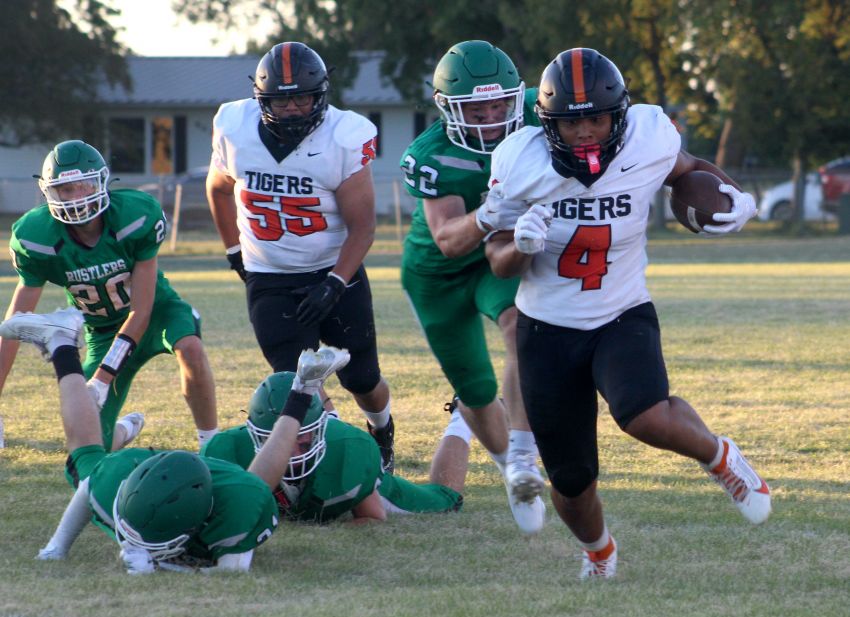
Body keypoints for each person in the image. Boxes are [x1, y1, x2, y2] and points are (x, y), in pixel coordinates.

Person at [485, 48, 770, 579]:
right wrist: (520, 245)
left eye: (597, 117)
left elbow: (687, 170)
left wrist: (731, 194)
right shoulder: (519, 160)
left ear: (619, 114)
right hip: (545, 328)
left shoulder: (649, 134)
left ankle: (720, 456)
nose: (587, 131)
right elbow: (498, 261)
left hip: (621, 311)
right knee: (570, 482)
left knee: (644, 414)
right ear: (550, 123)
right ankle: (599, 551)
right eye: (573, 122)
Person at [0, 306, 351, 573]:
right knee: (87, 460)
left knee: (256, 486)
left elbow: (230, 571)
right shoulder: (113, 481)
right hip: (138, 465)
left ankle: (302, 390)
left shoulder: (239, 511)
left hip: (233, 492)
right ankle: (62, 342)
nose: (132, 544)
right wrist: (56, 548)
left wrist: (157, 566)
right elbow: (90, 486)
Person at [206, 41, 395, 473]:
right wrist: (234, 250)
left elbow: (363, 227)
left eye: (302, 96)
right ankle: (334, 455)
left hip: (333, 270)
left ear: (320, 94)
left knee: (362, 380)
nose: (292, 108)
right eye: (281, 98)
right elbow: (218, 189)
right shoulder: (234, 126)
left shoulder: (343, 137)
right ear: (261, 99)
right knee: (299, 381)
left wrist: (335, 282)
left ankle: (381, 429)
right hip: (269, 275)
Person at [399, 40, 545, 534]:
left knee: (520, 326)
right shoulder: (430, 154)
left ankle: (524, 457)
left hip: (493, 259)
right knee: (476, 389)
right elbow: (446, 241)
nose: (489, 115)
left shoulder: (536, 111)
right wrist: (489, 212)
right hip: (438, 275)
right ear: (447, 108)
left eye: (499, 103)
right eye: (475, 107)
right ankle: (509, 469)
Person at [1, 140, 218, 451]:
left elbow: (140, 312)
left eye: (85, 186)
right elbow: (15, 326)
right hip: (102, 332)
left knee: (191, 348)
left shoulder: (135, 216)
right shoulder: (35, 237)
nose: (77, 198)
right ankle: (123, 432)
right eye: (67, 189)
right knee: (89, 442)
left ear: (101, 183)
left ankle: (211, 441)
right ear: (51, 192)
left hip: (156, 312)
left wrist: (102, 379)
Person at [202, 372, 467, 523]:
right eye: (280, 440)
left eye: (303, 440)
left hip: (342, 467)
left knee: (444, 502)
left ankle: (463, 415)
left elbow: (372, 518)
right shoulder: (227, 452)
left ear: (320, 431)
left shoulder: (348, 451)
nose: (292, 454)